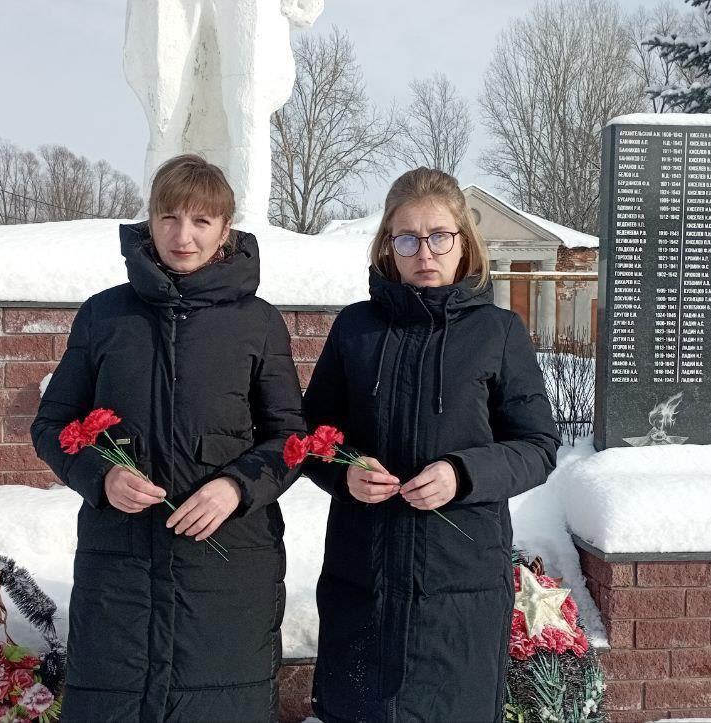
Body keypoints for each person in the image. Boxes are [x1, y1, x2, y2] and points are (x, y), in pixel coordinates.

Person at [31, 154, 304, 721]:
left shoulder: (258, 322)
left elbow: (290, 439)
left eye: (202, 221)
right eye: (170, 218)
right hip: (121, 567)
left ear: (225, 230)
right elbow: (53, 425)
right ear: (149, 223)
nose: (184, 236)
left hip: (227, 569)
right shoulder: (104, 316)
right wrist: (102, 477)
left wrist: (235, 488)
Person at [302, 167, 562, 722]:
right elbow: (312, 434)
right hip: (364, 571)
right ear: (387, 247)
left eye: (440, 235)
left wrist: (462, 475)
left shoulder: (499, 332)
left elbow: (538, 446)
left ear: (463, 242)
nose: (425, 251)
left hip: (459, 581)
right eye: (407, 238)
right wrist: (344, 473)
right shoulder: (356, 329)